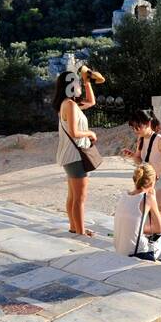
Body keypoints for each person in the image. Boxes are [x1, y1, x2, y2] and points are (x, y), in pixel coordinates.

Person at [53, 65, 99, 238]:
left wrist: (88, 82)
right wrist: (90, 133)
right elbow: (74, 132)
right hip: (75, 156)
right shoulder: (70, 105)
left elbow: (92, 102)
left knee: (73, 195)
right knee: (80, 198)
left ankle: (74, 228)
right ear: (71, 85)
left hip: (69, 156)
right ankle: (80, 232)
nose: (79, 85)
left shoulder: (68, 104)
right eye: (78, 83)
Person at [121, 109, 161, 209]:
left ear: (148, 123)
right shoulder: (140, 139)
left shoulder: (160, 140)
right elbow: (141, 163)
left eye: (138, 127)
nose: (136, 131)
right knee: (139, 207)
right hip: (151, 182)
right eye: (133, 128)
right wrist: (133, 156)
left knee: (147, 207)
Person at [113, 164, 161, 261]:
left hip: (120, 250)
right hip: (138, 254)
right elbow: (159, 229)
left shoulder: (124, 196)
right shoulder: (148, 198)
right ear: (152, 181)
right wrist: (154, 197)